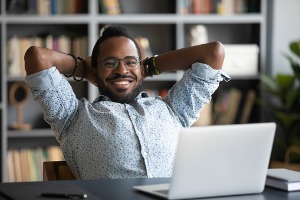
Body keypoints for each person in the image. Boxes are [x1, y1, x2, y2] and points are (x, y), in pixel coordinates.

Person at [24, 25, 229, 180]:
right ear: (95, 71)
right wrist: (85, 70)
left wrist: (148, 67)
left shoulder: (174, 110)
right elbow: (38, 57)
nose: (122, 70)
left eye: (130, 62)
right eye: (110, 63)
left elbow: (213, 53)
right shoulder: (72, 118)